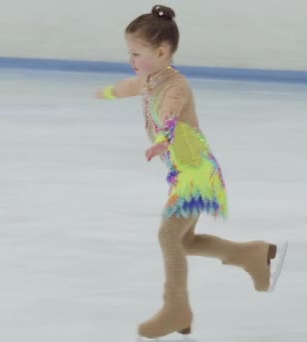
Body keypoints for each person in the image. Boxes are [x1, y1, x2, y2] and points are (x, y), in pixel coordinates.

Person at [95, 5, 288, 339]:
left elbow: (169, 115)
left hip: (195, 174)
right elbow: (131, 86)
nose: (131, 59)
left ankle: (176, 308)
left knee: (168, 236)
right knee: (183, 241)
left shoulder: (175, 86)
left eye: (136, 53)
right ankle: (251, 254)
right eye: (130, 52)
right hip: (187, 173)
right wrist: (107, 92)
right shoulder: (151, 78)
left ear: (161, 51)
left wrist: (161, 139)